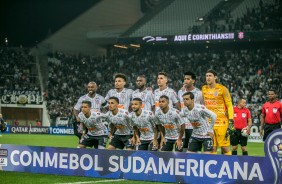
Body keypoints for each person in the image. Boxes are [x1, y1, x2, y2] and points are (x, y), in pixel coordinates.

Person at [202, 69, 234, 155]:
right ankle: (214, 167)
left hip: (221, 122)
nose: (208, 78)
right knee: (212, 147)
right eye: (206, 76)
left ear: (215, 77)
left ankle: (229, 165)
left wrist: (231, 120)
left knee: (225, 147)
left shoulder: (223, 89)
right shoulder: (204, 89)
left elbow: (229, 105)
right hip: (209, 123)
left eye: (210, 76)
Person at [178, 71, 204, 152]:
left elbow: (203, 108)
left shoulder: (199, 93)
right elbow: (180, 107)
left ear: (193, 81)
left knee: (195, 150)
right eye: (185, 79)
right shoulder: (180, 92)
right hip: (182, 125)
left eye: (188, 79)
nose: (185, 80)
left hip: (194, 126)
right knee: (181, 149)